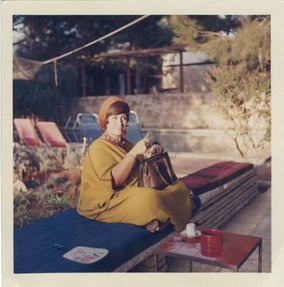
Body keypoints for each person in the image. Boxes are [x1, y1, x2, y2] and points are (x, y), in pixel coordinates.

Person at [77, 96, 193, 233]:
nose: (120, 123)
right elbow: (113, 181)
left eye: (123, 118)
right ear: (105, 122)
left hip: (131, 191)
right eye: (114, 118)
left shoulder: (125, 143)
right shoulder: (98, 147)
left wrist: (150, 155)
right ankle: (160, 217)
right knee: (150, 198)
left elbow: (141, 167)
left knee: (178, 187)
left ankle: (158, 219)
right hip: (108, 201)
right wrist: (133, 154)